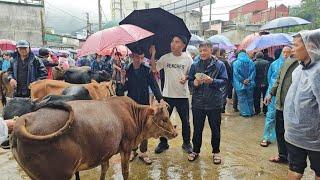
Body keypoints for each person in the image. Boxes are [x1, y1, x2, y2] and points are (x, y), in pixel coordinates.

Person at [283, 29, 320, 180]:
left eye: (296, 45)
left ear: (310, 46)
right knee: (295, 169)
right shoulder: (298, 69)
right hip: (294, 134)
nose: (292, 49)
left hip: (315, 137)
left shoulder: (317, 72)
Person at [120, 47, 165, 165]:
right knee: (132, 128)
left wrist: (160, 99)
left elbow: (154, 86)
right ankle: (133, 150)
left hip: (144, 104)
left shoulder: (147, 70)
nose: (139, 60)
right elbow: (121, 91)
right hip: (131, 105)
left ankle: (143, 152)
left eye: (141, 57)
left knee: (145, 127)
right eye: (136, 57)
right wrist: (122, 80)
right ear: (132, 57)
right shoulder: (127, 70)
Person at [150, 35, 193, 154]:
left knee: (185, 121)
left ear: (183, 45)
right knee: (164, 120)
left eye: (177, 42)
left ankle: (186, 143)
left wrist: (187, 77)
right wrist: (153, 54)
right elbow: (154, 69)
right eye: (172, 41)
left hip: (183, 96)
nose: (173, 44)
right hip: (167, 95)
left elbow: (192, 73)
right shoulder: (166, 58)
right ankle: (163, 143)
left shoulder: (188, 58)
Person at [187, 41, 228, 164]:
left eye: (205, 50)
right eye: (201, 51)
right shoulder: (195, 65)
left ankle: (216, 152)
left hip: (214, 103)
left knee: (215, 129)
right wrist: (193, 83)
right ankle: (195, 150)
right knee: (197, 129)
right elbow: (190, 81)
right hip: (198, 103)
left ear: (211, 50)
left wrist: (213, 81)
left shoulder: (220, 65)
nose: (202, 53)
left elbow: (225, 81)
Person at [266, 51, 298, 164]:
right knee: (279, 130)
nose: (293, 50)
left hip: (294, 106)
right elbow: (278, 79)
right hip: (280, 103)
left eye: (297, 45)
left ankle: (293, 160)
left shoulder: (304, 63)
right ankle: (283, 155)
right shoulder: (287, 61)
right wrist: (270, 93)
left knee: (292, 133)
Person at [260, 47, 290, 147]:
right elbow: (270, 79)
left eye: (288, 52)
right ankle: (266, 137)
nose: (285, 54)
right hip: (273, 95)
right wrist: (269, 93)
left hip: (287, 96)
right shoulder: (274, 64)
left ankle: (284, 139)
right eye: (284, 52)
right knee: (270, 116)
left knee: (286, 117)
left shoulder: (294, 65)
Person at [232, 51, 256, 117]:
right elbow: (253, 72)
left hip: (239, 84)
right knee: (250, 98)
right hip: (250, 83)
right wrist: (248, 79)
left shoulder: (236, 63)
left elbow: (236, 73)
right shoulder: (251, 62)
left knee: (242, 99)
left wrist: (242, 80)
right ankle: (251, 112)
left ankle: (245, 113)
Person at [219, 48, 232, 113]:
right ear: (223, 53)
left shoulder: (216, 60)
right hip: (224, 80)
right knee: (223, 94)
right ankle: (222, 108)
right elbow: (229, 71)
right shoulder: (225, 62)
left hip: (217, 80)